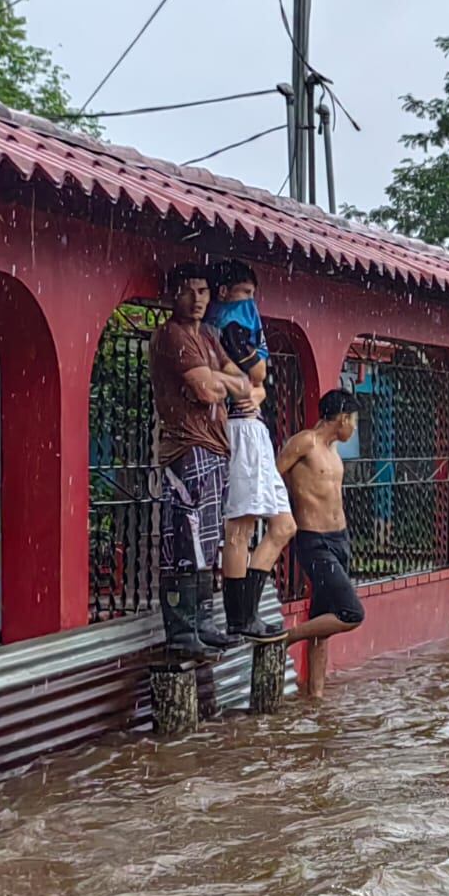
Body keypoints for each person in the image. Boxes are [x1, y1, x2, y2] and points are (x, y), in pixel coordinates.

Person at [149, 262, 253, 655]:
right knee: (184, 540)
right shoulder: (171, 336)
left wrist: (218, 381)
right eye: (189, 290)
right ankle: (180, 632)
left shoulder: (209, 335)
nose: (197, 299)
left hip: (215, 446)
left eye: (204, 291)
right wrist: (219, 382)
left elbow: (242, 384)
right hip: (185, 449)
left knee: (208, 540)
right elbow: (209, 390)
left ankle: (203, 624)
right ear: (173, 294)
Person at [205, 259, 293, 642]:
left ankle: (249, 610)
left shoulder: (239, 327)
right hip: (240, 430)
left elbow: (260, 384)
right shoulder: (222, 329)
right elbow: (256, 375)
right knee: (239, 528)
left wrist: (256, 386)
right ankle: (239, 618)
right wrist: (255, 383)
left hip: (255, 429)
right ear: (225, 293)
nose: (250, 304)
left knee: (283, 525)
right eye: (245, 295)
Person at [278, 389, 366, 697]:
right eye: (353, 421)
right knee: (350, 613)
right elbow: (275, 476)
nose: (354, 428)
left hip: (340, 539)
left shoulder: (333, 451)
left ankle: (315, 698)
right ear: (341, 418)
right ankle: (287, 638)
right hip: (314, 541)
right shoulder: (305, 442)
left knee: (322, 622)